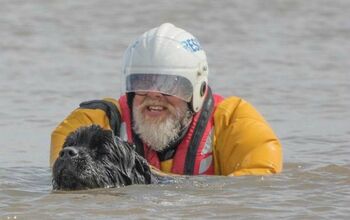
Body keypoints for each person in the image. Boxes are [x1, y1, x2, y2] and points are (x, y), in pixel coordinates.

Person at [50, 23, 283, 176]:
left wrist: (148, 176)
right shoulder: (96, 120)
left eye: (169, 84)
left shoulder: (235, 121)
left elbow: (258, 188)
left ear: (197, 90)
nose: (154, 94)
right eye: (142, 82)